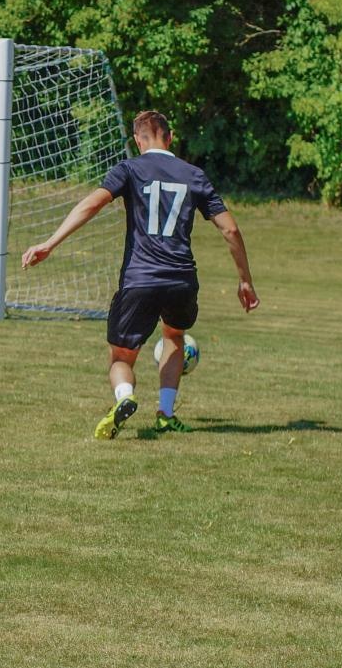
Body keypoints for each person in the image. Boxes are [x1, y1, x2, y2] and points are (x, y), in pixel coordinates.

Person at [21, 110, 259, 440]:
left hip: (140, 278)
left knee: (121, 356)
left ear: (137, 140)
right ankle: (165, 414)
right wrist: (245, 280)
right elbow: (230, 230)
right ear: (170, 137)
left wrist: (50, 243)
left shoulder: (130, 169)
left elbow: (92, 205)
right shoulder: (194, 174)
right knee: (174, 335)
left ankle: (125, 397)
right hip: (181, 279)